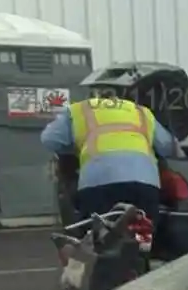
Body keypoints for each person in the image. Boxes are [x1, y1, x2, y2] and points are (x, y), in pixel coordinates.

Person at [40, 86, 179, 221]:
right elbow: (167, 147)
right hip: (144, 181)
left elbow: (49, 140)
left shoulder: (80, 109)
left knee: (99, 232)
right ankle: (144, 242)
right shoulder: (142, 112)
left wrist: (75, 147)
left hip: (98, 181)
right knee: (145, 231)